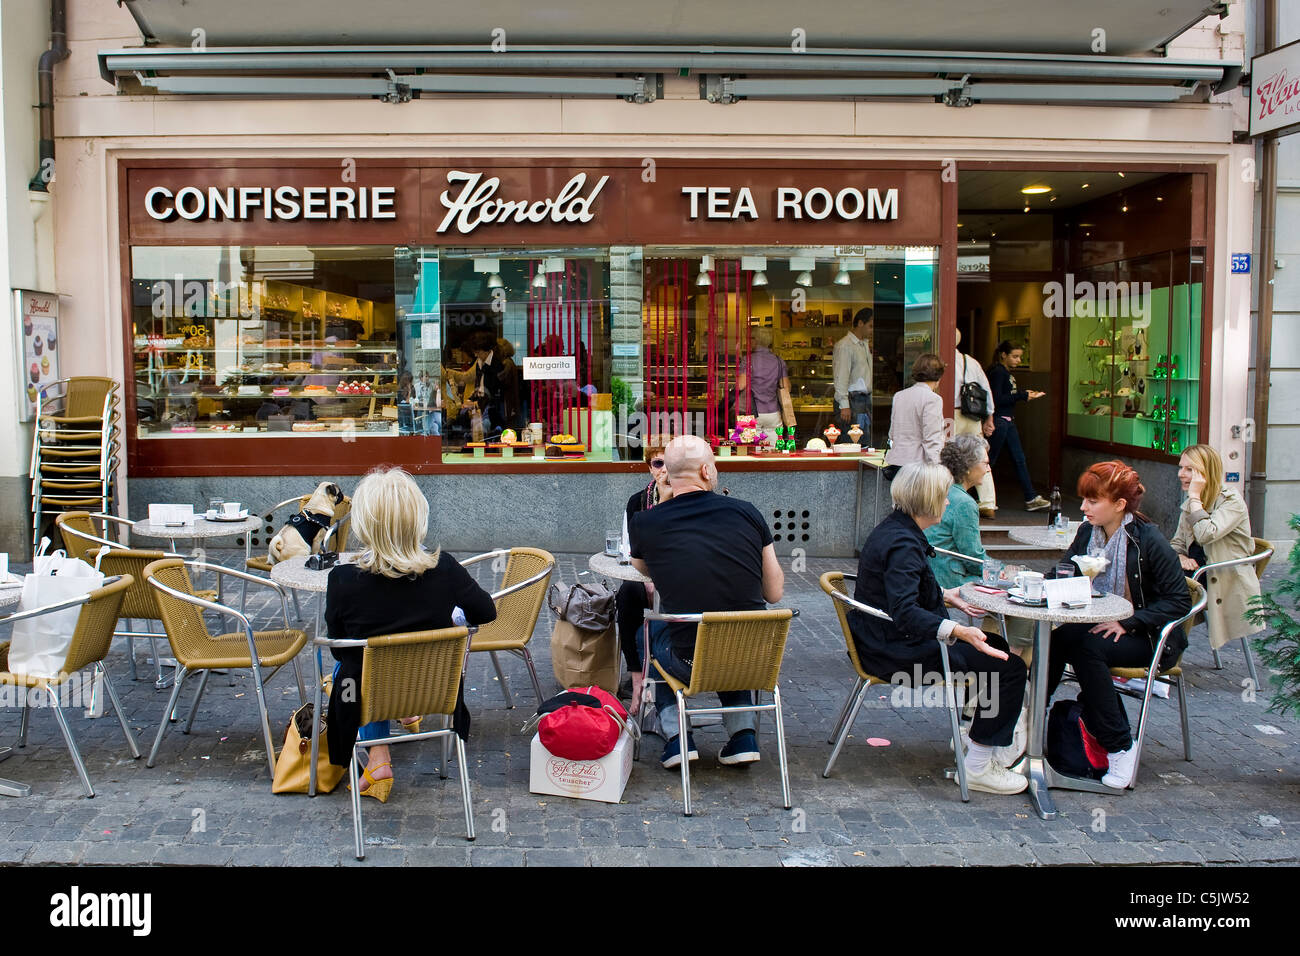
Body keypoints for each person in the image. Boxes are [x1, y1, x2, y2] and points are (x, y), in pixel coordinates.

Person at [849, 462, 1029, 795]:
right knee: (1011, 667)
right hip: (894, 651)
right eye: (944, 496)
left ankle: (976, 738)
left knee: (998, 650)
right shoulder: (903, 544)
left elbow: (901, 593)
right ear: (929, 501)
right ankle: (977, 767)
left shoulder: (897, 530)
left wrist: (948, 596)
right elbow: (904, 611)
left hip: (884, 639)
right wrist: (958, 631)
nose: (948, 503)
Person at [324, 467, 497, 802]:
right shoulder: (443, 568)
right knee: (361, 663)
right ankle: (405, 714)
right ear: (417, 518)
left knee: (342, 664)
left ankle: (377, 756)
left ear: (365, 523)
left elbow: (339, 649)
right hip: (432, 688)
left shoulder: (342, 580)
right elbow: (486, 613)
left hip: (366, 693)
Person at [629, 435, 784, 769]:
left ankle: (677, 738)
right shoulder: (748, 513)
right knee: (729, 631)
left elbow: (641, 569)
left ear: (667, 476)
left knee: (648, 634)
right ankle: (743, 735)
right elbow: (774, 593)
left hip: (687, 660)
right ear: (705, 471)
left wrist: (665, 501)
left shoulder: (646, 522)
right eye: (713, 463)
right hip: (753, 659)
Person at [1046, 461, 1192, 790]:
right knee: (1059, 639)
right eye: (1083, 499)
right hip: (1100, 625)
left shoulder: (1148, 540)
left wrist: (1129, 621)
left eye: (1092, 501)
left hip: (1153, 638)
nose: (1083, 507)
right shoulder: (1088, 533)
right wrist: (1041, 584)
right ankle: (1024, 722)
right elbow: (1063, 571)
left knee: (1086, 649)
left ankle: (1120, 746)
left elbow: (1179, 600)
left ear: (1119, 505)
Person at [1170, 444, 1263, 652]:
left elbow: (1206, 534)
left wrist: (1194, 498)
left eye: (1189, 469)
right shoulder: (1192, 504)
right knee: (1148, 581)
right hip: (1195, 572)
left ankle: (1164, 655)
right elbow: (1176, 543)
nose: (1181, 474)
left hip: (1221, 576)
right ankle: (1151, 652)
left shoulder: (1231, 501)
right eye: (1180, 467)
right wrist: (1179, 557)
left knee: (1164, 596)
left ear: (1206, 473)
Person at [615, 443, 671, 699]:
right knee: (627, 594)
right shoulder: (638, 501)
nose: (664, 469)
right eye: (658, 463)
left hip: (678, 579)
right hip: (644, 571)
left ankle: (671, 667)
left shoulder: (689, 497)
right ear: (650, 468)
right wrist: (647, 578)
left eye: (670, 463)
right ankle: (636, 674)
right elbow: (631, 547)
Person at [987, 341, 1049, 512]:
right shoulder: (998, 373)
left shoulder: (1004, 372)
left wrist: (1023, 395)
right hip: (1000, 420)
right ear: (1003, 355)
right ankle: (980, 498)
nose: (1018, 360)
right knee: (989, 460)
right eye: (1015, 356)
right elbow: (997, 399)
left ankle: (1030, 497)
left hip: (1008, 421)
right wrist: (1022, 395)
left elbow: (1006, 396)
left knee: (1018, 459)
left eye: (1020, 357)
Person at [953, 329, 997, 517]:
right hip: (972, 415)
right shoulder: (969, 361)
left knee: (949, 456)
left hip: (951, 413)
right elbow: (985, 389)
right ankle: (988, 502)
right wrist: (990, 416)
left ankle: (950, 497)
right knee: (979, 455)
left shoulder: (940, 361)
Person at [884, 352, 945, 476]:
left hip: (897, 462)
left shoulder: (899, 396)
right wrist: (938, 468)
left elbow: (892, 432)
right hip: (919, 465)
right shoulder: (933, 399)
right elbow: (931, 438)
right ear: (938, 377)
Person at [736, 328, 789, 447]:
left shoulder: (747, 360)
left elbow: (741, 385)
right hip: (773, 413)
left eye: (751, 339)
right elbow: (786, 387)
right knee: (774, 452)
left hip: (750, 413)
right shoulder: (778, 361)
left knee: (748, 450)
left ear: (756, 340)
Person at [833, 307, 873, 434]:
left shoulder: (864, 344)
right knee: (852, 442)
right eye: (870, 326)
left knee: (863, 441)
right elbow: (841, 376)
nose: (872, 331)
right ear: (860, 323)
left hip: (864, 400)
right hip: (852, 400)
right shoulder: (845, 345)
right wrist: (844, 405)